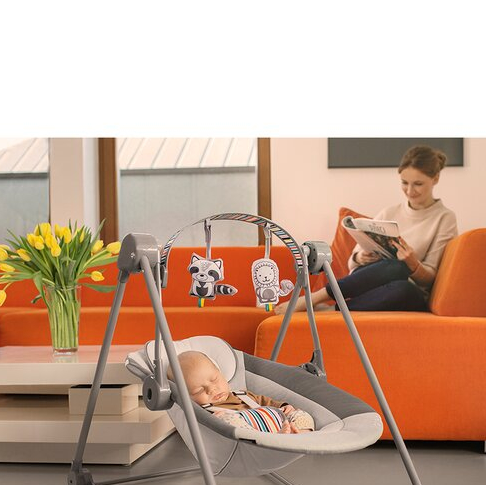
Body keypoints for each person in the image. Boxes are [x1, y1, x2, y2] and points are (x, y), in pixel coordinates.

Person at [277, 145, 458, 313]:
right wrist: (360, 257)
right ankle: (317, 297)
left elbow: (431, 279)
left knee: (402, 278)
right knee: (395, 266)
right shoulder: (389, 212)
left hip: (405, 292)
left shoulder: (444, 218)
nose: (410, 191)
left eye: (418, 184)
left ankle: (331, 310)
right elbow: (352, 263)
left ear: (435, 179)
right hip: (369, 283)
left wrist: (413, 264)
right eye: (404, 183)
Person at [169, 351, 315, 433]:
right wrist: (215, 420)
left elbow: (266, 402)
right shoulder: (204, 411)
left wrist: (284, 407)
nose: (211, 389)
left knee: (301, 414)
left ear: (221, 374)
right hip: (254, 437)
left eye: (214, 380)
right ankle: (279, 438)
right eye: (199, 390)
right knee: (226, 420)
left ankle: (300, 433)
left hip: (278, 423)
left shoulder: (242, 394)